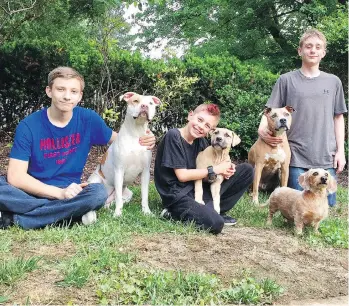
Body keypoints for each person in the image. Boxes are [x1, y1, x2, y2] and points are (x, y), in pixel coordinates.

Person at [0, 66, 155, 229]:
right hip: (33, 188)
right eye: (60, 89)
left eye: (73, 91)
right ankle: (71, 215)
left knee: (97, 193)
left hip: (71, 191)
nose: (67, 96)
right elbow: (16, 177)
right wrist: (58, 194)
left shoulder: (88, 119)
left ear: (80, 96)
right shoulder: (28, 126)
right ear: (49, 91)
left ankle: (14, 218)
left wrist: (146, 138)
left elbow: (121, 140)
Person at [258, 29, 347, 206]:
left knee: (327, 204)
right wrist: (261, 129)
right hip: (294, 155)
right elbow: (269, 111)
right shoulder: (285, 80)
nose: (313, 50)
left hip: (325, 156)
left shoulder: (334, 81)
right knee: (297, 204)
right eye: (308, 46)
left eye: (317, 47)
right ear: (300, 51)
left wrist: (341, 151)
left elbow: (338, 118)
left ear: (323, 53)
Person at [154, 104, 254, 234]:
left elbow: (208, 175)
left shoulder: (200, 142)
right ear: (190, 115)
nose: (201, 127)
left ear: (210, 131)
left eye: (207, 126)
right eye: (200, 120)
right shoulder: (174, 136)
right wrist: (216, 169)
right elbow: (182, 175)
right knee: (215, 224)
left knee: (246, 170)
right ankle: (172, 213)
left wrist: (225, 171)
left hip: (197, 189)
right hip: (177, 195)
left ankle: (212, 210)